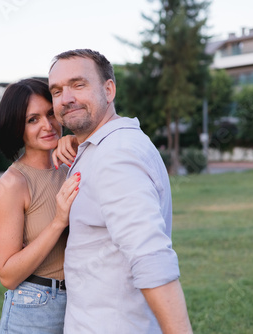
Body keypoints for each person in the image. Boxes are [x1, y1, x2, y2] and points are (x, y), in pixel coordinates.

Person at [48, 49, 193, 333]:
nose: (66, 98)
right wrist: (74, 146)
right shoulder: (102, 147)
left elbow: (150, 256)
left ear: (109, 89)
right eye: (57, 91)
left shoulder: (116, 154)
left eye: (78, 85)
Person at [0, 78, 80, 334]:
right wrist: (58, 222)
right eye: (33, 120)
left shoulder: (72, 164)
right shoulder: (13, 184)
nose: (47, 125)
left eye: (51, 113)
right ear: (17, 127)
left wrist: (78, 142)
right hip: (35, 307)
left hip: (81, 301)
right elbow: (7, 276)